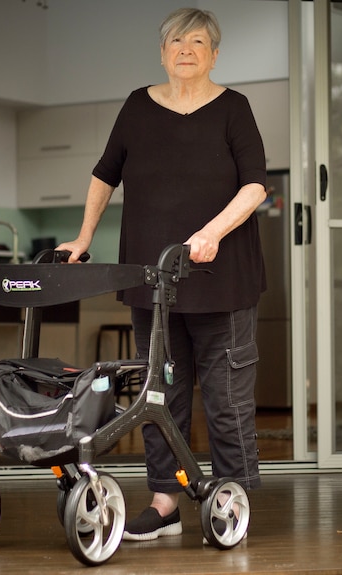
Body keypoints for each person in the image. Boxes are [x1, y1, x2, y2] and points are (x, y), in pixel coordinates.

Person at [57, 7, 267, 541]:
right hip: (155, 284)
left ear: (214, 54)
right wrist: (83, 238)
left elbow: (255, 186)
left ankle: (231, 499)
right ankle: (165, 501)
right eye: (177, 40)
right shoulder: (137, 107)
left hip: (223, 282)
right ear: (163, 51)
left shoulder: (233, 109)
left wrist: (213, 231)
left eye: (199, 41)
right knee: (159, 399)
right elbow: (105, 173)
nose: (186, 49)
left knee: (225, 402)